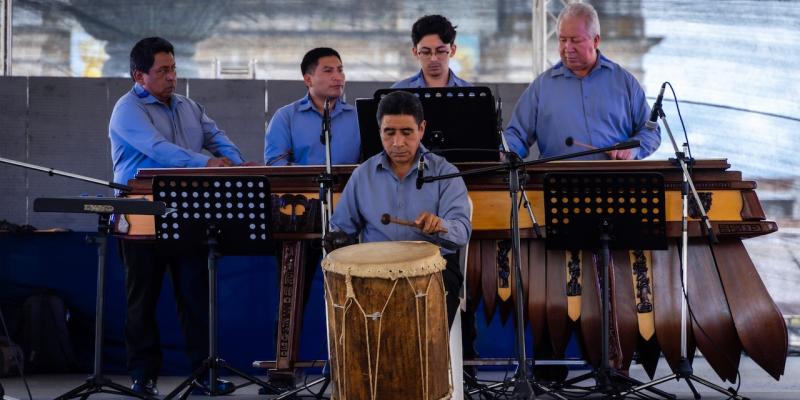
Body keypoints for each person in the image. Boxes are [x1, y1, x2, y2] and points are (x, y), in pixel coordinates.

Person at [109, 36, 257, 396]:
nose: (172, 77)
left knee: (195, 295)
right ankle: (143, 376)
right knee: (141, 299)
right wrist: (206, 164)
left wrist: (239, 166)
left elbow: (217, 137)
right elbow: (158, 150)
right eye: (163, 71)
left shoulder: (190, 106)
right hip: (140, 214)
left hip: (188, 210)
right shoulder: (127, 109)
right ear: (139, 76)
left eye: (174, 68)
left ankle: (204, 373)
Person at [330, 91, 471, 327]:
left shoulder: (445, 172)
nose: (397, 143)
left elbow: (462, 231)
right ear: (379, 131)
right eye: (389, 132)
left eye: (407, 132)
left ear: (421, 129)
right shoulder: (362, 175)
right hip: (374, 272)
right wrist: (336, 238)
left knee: (426, 312)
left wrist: (440, 225)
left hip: (434, 270)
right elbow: (342, 228)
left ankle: (427, 353)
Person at [503, 3, 661, 160]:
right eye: (562, 40)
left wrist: (633, 149)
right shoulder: (541, 87)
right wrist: (503, 152)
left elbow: (651, 132)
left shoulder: (624, 82)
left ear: (596, 40)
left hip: (614, 175)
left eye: (575, 40)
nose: (567, 47)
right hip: (557, 176)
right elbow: (516, 135)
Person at [263, 47, 360, 166]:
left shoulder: (358, 117)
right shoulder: (286, 117)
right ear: (308, 80)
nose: (338, 77)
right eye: (328, 71)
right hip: (300, 179)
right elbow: (275, 162)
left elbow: (371, 163)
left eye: (340, 70)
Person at [392, 15, 471, 88]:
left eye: (441, 51)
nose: (433, 59)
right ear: (415, 52)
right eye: (426, 52)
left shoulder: (470, 92)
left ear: (452, 50)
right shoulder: (399, 91)